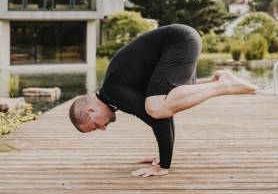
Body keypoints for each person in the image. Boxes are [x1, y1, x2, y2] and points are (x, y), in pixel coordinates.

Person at [69, 24, 257, 177]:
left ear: (90, 111)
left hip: (178, 41)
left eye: (95, 126)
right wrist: (163, 157)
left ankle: (223, 85)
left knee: (157, 108)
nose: (102, 128)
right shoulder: (115, 94)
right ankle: (218, 82)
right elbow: (162, 118)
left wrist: (164, 167)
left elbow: (159, 118)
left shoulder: (113, 90)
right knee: (162, 106)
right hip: (182, 40)